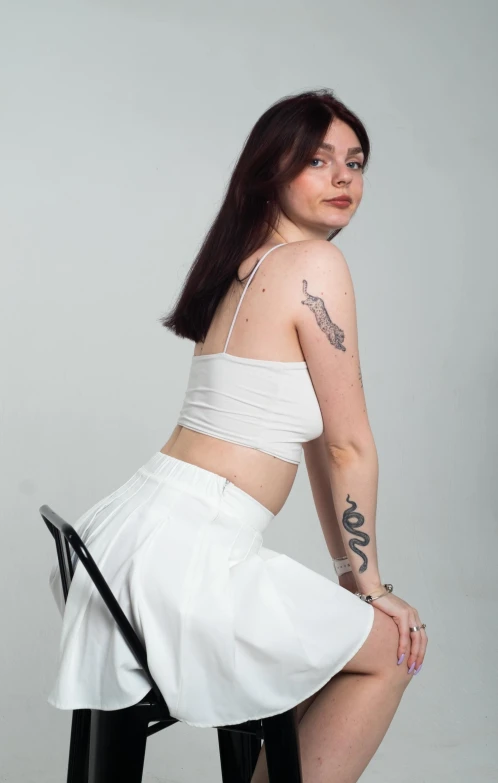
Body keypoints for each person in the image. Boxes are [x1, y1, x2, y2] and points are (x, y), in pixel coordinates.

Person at [48, 88, 427, 783]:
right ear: (269, 172)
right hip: (189, 554)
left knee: (335, 646)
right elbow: (349, 445)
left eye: (356, 161)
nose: (344, 177)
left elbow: (318, 450)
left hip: (133, 540)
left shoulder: (247, 267)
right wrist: (376, 591)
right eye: (318, 160)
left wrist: (352, 577)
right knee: (396, 648)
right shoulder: (315, 265)